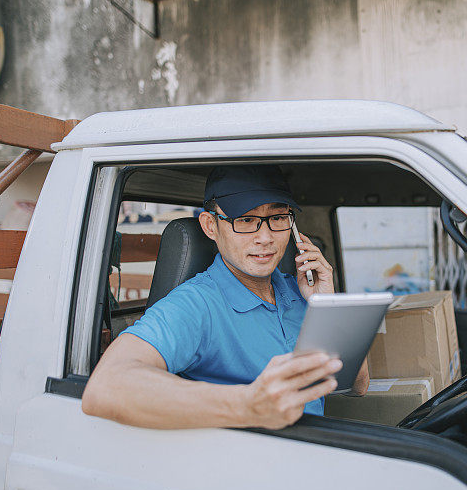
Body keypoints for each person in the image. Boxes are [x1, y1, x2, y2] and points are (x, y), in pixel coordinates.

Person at [82, 165, 369, 430]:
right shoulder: (196, 304)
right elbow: (105, 387)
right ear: (210, 226)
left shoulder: (300, 291)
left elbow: (357, 385)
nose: (265, 237)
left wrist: (326, 304)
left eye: (278, 218)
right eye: (246, 220)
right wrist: (247, 404)